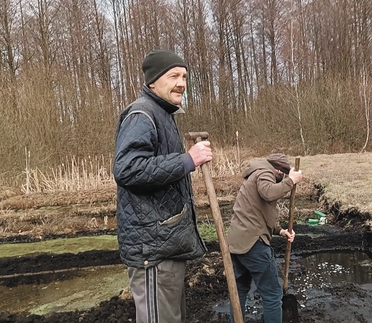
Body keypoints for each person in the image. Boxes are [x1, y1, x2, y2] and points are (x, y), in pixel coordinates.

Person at [113, 49, 212, 323]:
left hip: (166, 246)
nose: (182, 82)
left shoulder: (164, 114)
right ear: (153, 81)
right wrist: (187, 160)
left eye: (184, 76)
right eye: (173, 76)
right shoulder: (142, 114)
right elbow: (127, 169)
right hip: (153, 251)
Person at [227, 153, 303, 323]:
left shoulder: (254, 176)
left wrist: (280, 230)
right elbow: (268, 193)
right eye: (282, 176)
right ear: (279, 171)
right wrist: (290, 181)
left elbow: (257, 213)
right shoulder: (265, 173)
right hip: (253, 244)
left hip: (237, 243)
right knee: (272, 294)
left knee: (239, 290)